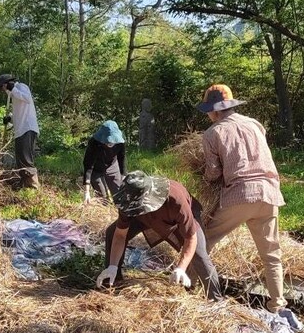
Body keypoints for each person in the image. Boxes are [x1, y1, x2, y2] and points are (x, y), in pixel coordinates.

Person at [198, 84, 286, 312]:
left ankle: (189, 286)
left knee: (203, 241)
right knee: (271, 254)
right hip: (269, 193)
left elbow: (214, 172)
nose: (208, 115)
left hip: (240, 194)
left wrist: (204, 179)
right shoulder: (254, 124)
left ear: (216, 111)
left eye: (208, 111)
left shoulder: (213, 133)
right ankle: (277, 303)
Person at [96, 170, 222, 299]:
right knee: (111, 232)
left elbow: (190, 237)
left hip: (173, 218)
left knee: (199, 253)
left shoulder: (176, 200)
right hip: (142, 218)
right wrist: (112, 265)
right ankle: (113, 281)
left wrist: (181, 268)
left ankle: (216, 300)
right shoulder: (128, 200)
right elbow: (120, 235)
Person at [0, 73, 39, 189]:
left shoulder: (21, 87)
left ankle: (33, 185)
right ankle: (25, 182)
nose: (3, 90)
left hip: (27, 128)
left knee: (26, 158)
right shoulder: (13, 95)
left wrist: (13, 88)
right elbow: (18, 113)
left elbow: (27, 99)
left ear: (7, 84)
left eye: (2, 88)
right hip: (20, 130)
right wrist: (9, 118)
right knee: (20, 158)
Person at [82, 120, 126, 204]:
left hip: (112, 166)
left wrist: (123, 177)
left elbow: (122, 159)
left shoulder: (120, 142)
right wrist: (86, 192)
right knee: (103, 199)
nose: (110, 143)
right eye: (108, 141)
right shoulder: (94, 143)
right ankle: (105, 210)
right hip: (96, 169)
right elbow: (88, 166)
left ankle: (121, 214)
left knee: (119, 195)